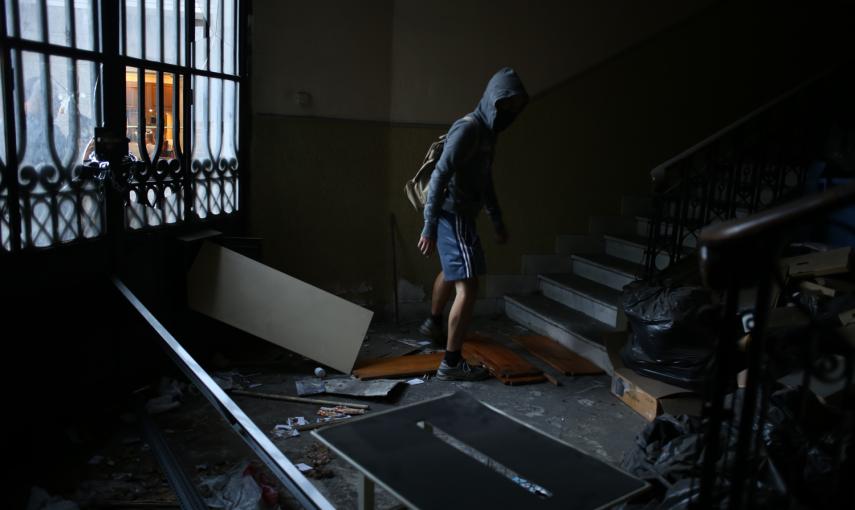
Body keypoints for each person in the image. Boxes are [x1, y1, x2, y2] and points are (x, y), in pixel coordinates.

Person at [417, 67, 528, 381]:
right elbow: (439, 174)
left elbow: (485, 179)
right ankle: (451, 363)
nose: (510, 113)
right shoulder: (468, 129)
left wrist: (495, 217)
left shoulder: (488, 134)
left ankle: (434, 323)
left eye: (516, 108)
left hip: (462, 214)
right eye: (507, 105)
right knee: (470, 284)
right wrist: (429, 225)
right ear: (494, 99)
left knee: (452, 271)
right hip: (453, 214)